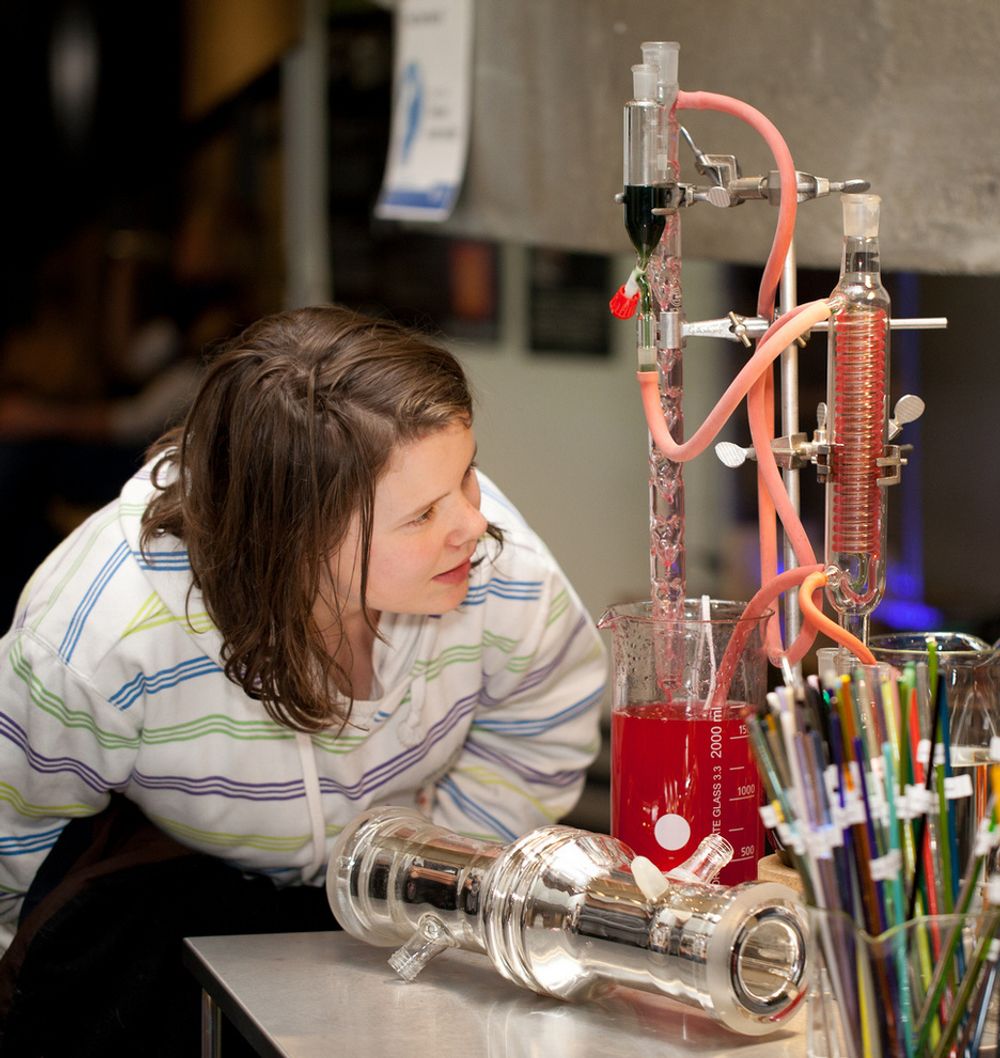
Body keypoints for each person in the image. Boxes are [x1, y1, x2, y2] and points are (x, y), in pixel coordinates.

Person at [0, 304, 605, 1054]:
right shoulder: (99, 635)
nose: (472, 526)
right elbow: (14, 840)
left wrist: (428, 872)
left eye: (469, 475)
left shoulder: (494, 565)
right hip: (172, 910)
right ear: (293, 535)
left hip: (400, 899)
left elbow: (545, 713)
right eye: (420, 515)